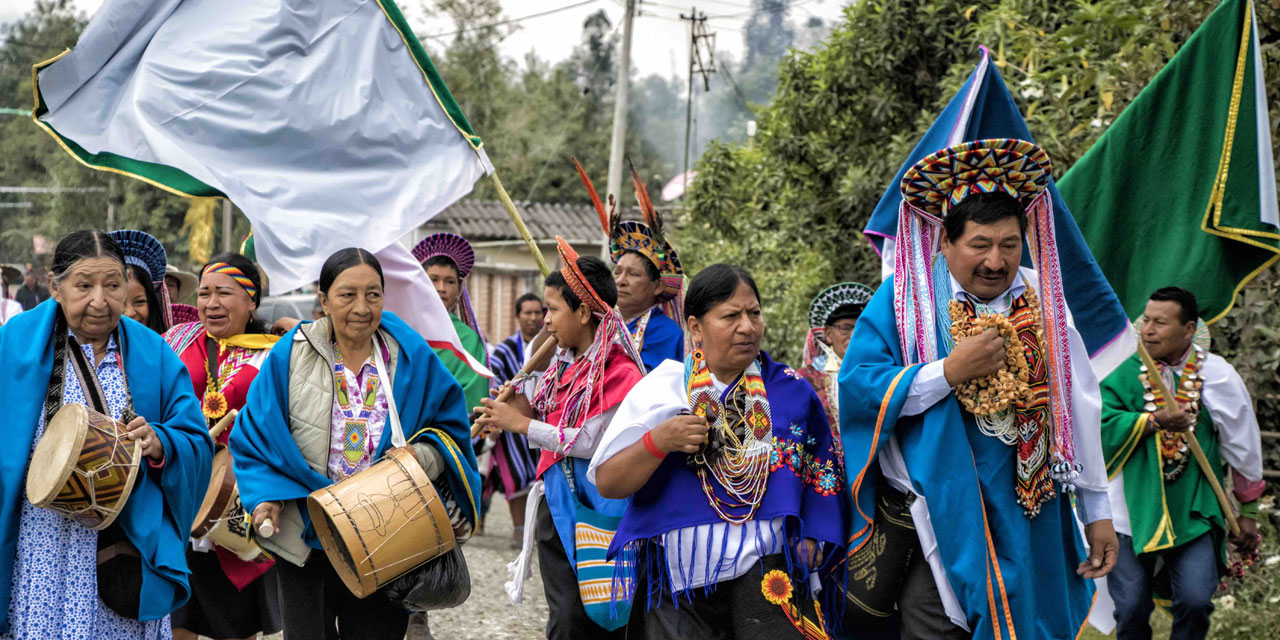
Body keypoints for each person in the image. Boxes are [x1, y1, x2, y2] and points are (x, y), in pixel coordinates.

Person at [839, 139, 1118, 639]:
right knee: (937, 623)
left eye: (1009, 245)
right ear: (945, 242)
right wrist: (949, 371)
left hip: (1033, 501)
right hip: (946, 506)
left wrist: (1097, 512)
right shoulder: (905, 302)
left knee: (1033, 621)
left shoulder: (1044, 298)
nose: (995, 261)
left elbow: (1078, 404)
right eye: (979, 245)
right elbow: (860, 387)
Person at [230, 248, 480, 640]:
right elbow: (256, 436)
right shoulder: (291, 354)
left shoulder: (409, 355)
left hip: (386, 532)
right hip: (304, 532)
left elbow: (450, 431)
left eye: (373, 294)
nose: (362, 307)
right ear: (323, 298)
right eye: (347, 295)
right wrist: (265, 497)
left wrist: (420, 459)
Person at [590, 263, 848, 639]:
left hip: (768, 574)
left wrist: (814, 535)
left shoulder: (790, 392)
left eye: (754, 313)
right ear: (695, 327)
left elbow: (822, 473)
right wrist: (658, 441)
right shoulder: (663, 391)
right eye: (730, 316)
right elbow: (609, 482)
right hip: (679, 583)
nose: (747, 326)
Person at [0, 229, 212, 639]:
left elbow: (196, 441)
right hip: (39, 542)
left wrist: (160, 442)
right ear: (54, 286)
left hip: (121, 546)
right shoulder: (14, 345)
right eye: (84, 285)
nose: (100, 300)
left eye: (113, 285)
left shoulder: (155, 355)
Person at [474, 238, 645, 640]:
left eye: (552, 310)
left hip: (601, 510)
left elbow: (588, 440)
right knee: (564, 615)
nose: (546, 321)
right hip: (556, 503)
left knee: (599, 615)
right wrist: (507, 403)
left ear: (584, 312)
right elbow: (535, 403)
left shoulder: (621, 371)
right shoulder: (561, 365)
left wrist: (519, 424)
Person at [1101, 287, 1264, 640]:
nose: (1148, 330)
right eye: (1146, 320)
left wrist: (1248, 512)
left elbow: (1243, 444)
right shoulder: (1122, 372)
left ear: (1188, 329)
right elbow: (1098, 424)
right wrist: (1151, 422)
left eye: (1160, 323)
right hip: (1127, 510)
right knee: (1129, 608)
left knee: (1193, 601)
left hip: (1193, 509)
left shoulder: (1218, 374)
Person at [164, 253, 282, 640]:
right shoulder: (177, 343)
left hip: (239, 502)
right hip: (181, 499)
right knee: (177, 622)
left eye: (224, 293)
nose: (211, 303)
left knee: (235, 627)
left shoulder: (277, 353)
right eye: (204, 293)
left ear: (251, 301)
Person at [579, 164, 686, 371]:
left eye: (633, 274)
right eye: (617, 272)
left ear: (657, 286)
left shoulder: (665, 333)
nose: (620, 280)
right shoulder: (601, 325)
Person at [482, 292, 545, 546]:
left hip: (544, 421)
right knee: (518, 476)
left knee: (541, 478)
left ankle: (539, 530)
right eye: (527, 313)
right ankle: (520, 529)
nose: (533, 318)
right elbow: (495, 383)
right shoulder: (506, 350)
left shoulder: (555, 345)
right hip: (511, 427)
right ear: (517, 317)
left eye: (537, 312)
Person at [411, 232, 489, 415]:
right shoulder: (398, 329)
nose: (441, 288)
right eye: (434, 279)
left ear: (459, 290)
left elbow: (472, 399)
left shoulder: (468, 340)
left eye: (450, 281)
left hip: (444, 434)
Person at [797, 282, 873, 431]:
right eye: (845, 328)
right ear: (829, 334)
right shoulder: (807, 378)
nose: (853, 335)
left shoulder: (876, 371)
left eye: (859, 328)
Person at [111, 230, 173, 333]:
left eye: (140, 302)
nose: (129, 313)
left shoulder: (162, 348)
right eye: (120, 302)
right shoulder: (82, 347)